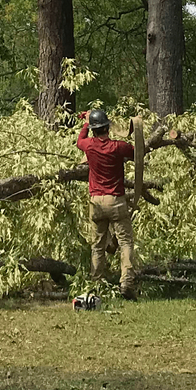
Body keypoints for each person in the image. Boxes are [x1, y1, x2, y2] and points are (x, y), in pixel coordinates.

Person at [76, 108, 136, 299]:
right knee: (125, 242)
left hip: (96, 202)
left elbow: (79, 141)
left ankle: (97, 283)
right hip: (116, 200)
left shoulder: (89, 146)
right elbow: (136, 151)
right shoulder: (118, 147)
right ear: (107, 128)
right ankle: (126, 283)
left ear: (94, 130)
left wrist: (86, 122)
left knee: (98, 245)